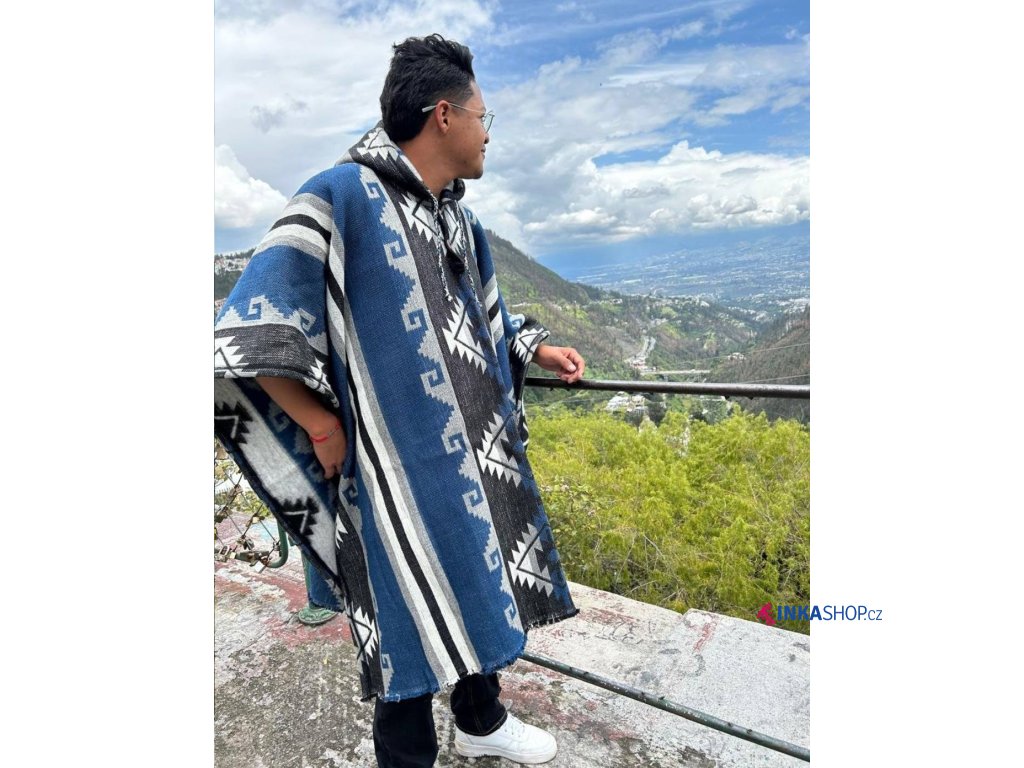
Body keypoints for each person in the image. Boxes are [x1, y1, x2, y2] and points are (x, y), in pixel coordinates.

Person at [214, 33, 585, 767]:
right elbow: (249, 331)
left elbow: (475, 319)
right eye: (482, 117)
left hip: (465, 457)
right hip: (385, 463)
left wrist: (531, 345)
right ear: (444, 115)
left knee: (474, 573)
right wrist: (318, 422)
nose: (487, 134)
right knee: (400, 611)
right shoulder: (340, 195)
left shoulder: (458, 218)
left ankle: (482, 720)